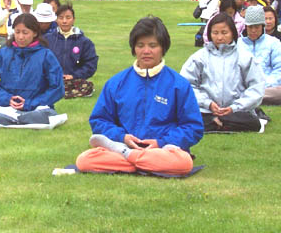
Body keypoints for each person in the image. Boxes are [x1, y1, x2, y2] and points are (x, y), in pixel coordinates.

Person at [75, 16, 203, 175]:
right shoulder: (116, 83)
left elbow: (193, 127)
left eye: (153, 45)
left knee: (183, 163)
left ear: (163, 48)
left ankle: (131, 160)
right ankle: (140, 160)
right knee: (85, 160)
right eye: (140, 45)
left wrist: (160, 142)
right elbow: (99, 120)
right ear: (134, 48)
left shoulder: (179, 84)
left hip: (162, 151)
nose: (146, 51)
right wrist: (122, 137)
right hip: (122, 147)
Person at [181, 13, 266, 132]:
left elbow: (256, 87)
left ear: (233, 33)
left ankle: (217, 122)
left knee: (253, 123)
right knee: (185, 118)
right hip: (205, 110)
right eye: (215, 33)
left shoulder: (245, 57)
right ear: (209, 34)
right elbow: (186, 85)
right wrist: (207, 103)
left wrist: (234, 107)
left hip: (236, 111)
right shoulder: (199, 57)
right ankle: (218, 122)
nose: (220, 37)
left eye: (224, 33)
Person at [0, 13, 64, 124]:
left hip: (37, 108)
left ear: (35, 33)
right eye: (17, 32)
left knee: (45, 115)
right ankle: (16, 119)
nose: (21, 37)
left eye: (25, 33)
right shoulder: (4, 54)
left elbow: (57, 88)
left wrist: (30, 104)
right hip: (7, 108)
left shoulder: (46, 55)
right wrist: (7, 99)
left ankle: (17, 120)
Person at [239, 5, 281, 106]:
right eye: (250, 27)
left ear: (262, 26)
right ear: (246, 26)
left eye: (257, 27)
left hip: (266, 87)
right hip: (243, 87)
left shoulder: (274, 42)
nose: (253, 30)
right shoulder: (237, 44)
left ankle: (247, 99)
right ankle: (252, 98)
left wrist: (265, 84)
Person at [45, 4, 98, 98]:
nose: (64, 21)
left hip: (74, 80)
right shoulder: (47, 39)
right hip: (52, 79)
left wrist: (73, 76)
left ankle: (60, 92)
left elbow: (90, 65)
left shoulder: (84, 42)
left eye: (68, 17)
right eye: (61, 18)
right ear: (56, 20)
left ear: (73, 19)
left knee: (86, 86)